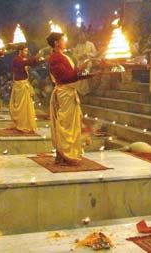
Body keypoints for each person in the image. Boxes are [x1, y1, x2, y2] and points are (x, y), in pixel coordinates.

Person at [46, 32, 91, 166]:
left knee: (71, 124)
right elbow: (66, 77)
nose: (65, 41)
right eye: (62, 40)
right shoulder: (55, 58)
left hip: (69, 91)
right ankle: (65, 153)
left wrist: (87, 74)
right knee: (66, 125)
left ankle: (65, 153)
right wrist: (79, 70)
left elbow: (71, 75)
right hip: (64, 92)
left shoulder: (62, 56)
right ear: (56, 43)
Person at [9, 46, 43, 132]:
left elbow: (31, 63)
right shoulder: (17, 59)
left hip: (24, 85)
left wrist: (42, 60)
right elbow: (25, 63)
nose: (26, 53)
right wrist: (35, 57)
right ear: (20, 51)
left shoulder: (24, 59)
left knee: (26, 106)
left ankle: (26, 123)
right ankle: (21, 124)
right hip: (20, 85)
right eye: (25, 51)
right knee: (21, 107)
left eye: (27, 51)